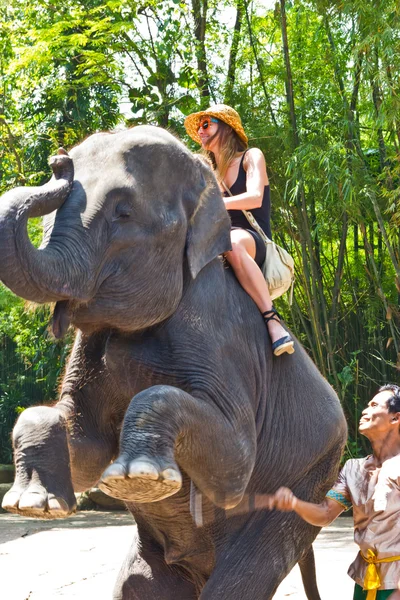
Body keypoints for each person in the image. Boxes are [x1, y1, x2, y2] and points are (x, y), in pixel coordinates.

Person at [266, 384, 400, 600]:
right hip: (366, 581)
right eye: (367, 404)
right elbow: (326, 514)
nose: (365, 410)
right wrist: (294, 504)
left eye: (374, 405)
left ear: (395, 418)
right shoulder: (353, 469)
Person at [184, 104, 294, 357]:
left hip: (251, 241)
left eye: (205, 124)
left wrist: (217, 203)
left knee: (231, 241)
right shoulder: (207, 172)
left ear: (226, 127)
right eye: (199, 127)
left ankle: (271, 319)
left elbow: (255, 197)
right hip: (218, 240)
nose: (200, 132)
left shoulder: (250, 156)